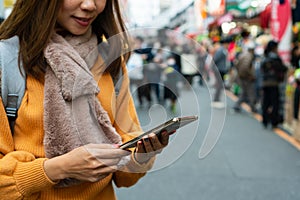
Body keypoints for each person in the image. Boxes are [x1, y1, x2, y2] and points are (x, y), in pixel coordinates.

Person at [0, 0, 173, 199]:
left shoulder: (110, 60)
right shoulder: (7, 62)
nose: (91, 5)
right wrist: (58, 169)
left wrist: (141, 155)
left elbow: (125, 178)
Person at [260, 40, 288, 128]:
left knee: (266, 102)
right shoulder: (276, 58)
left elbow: (262, 69)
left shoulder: (265, 57)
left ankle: (265, 120)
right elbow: (283, 68)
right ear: (274, 48)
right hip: (274, 83)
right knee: (275, 102)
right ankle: (273, 121)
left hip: (265, 83)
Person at [233, 42, 257, 113]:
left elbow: (237, 65)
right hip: (246, 77)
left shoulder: (243, 55)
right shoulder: (248, 56)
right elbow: (245, 67)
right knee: (250, 92)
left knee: (244, 92)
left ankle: (237, 105)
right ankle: (252, 107)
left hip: (242, 77)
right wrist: (250, 75)